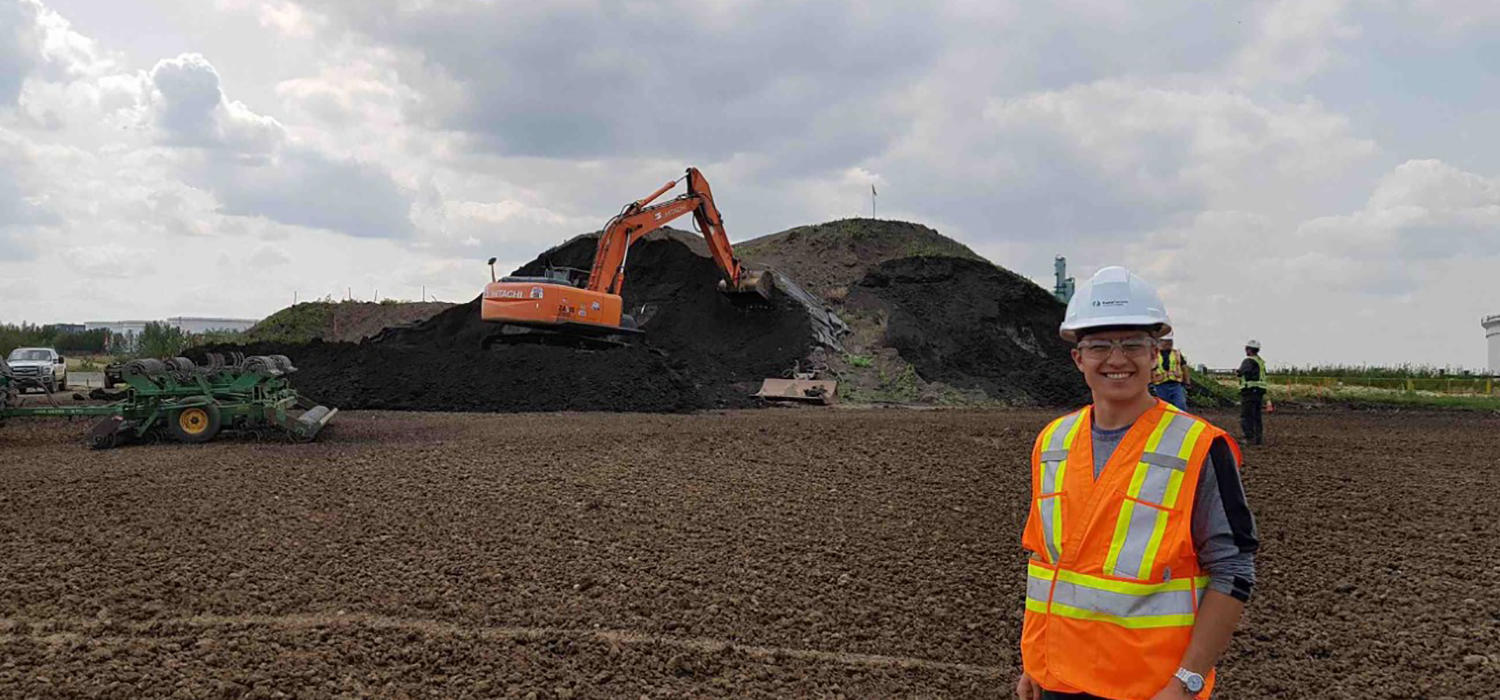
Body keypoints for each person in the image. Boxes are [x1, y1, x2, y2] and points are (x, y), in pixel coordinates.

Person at [1015, 267, 1257, 700]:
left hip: (1149, 689)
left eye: (1132, 344)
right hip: (1056, 680)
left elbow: (1233, 570)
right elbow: (1047, 562)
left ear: (1155, 354)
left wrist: (1187, 682)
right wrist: (1035, 663)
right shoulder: (1052, 442)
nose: (1116, 359)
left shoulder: (1198, 447)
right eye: (1100, 346)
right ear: (1078, 358)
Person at [1235, 340, 1267, 446]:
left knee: (1247, 415)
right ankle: (1258, 438)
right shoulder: (1260, 361)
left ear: (1249, 349)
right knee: (1256, 416)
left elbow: (1242, 372)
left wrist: (1238, 372)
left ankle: (1249, 438)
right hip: (1259, 392)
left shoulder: (1249, 361)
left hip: (1249, 391)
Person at [1149, 332, 1190, 410]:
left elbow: (1184, 367)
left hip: (1175, 384)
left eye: (1170, 341)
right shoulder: (1153, 354)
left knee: (1181, 405)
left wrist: (1187, 382)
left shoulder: (1176, 353)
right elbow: (1148, 369)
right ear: (1160, 341)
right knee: (1163, 408)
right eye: (1166, 341)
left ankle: (1180, 421)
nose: (1169, 343)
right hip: (1160, 385)